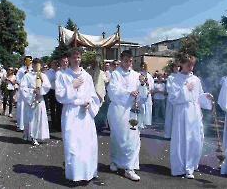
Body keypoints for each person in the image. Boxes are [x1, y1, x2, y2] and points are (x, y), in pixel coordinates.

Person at [55, 47, 100, 183]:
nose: (77, 60)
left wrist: (89, 103)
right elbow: (59, 95)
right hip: (71, 113)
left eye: (79, 57)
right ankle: (74, 174)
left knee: (87, 144)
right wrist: (72, 86)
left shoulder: (86, 76)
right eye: (74, 57)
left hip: (85, 114)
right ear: (69, 59)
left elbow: (93, 94)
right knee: (72, 144)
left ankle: (87, 173)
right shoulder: (63, 76)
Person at [168, 54, 213, 179]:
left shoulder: (196, 79)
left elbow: (199, 96)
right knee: (182, 139)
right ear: (181, 64)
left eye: (192, 64)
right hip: (182, 112)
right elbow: (172, 98)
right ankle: (180, 167)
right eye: (188, 64)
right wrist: (184, 89)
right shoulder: (177, 79)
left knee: (194, 138)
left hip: (194, 112)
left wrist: (206, 97)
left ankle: (191, 166)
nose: (190, 67)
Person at [107, 50, 148, 181]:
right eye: (126, 61)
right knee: (118, 138)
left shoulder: (136, 75)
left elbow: (144, 94)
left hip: (132, 111)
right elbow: (113, 91)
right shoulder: (115, 74)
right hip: (118, 110)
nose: (129, 64)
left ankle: (129, 168)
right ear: (121, 60)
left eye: (131, 61)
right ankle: (115, 161)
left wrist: (143, 84)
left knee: (132, 139)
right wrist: (128, 93)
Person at [20, 58, 51, 147]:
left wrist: (40, 90)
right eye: (35, 64)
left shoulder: (43, 76)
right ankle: (27, 135)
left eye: (38, 64)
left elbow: (47, 86)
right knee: (29, 119)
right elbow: (23, 88)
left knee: (38, 119)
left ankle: (35, 137)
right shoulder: (27, 76)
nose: (36, 66)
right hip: (30, 100)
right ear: (32, 65)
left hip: (39, 100)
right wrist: (32, 91)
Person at [16, 56, 32, 132]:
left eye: (30, 60)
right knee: (21, 107)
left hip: (31, 91)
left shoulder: (32, 69)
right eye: (28, 60)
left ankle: (29, 125)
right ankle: (20, 125)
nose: (29, 62)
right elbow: (17, 79)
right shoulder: (21, 70)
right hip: (23, 90)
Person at [164, 62, 180, 139]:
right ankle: (168, 134)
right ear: (173, 68)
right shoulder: (170, 77)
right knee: (170, 116)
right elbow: (168, 88)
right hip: (171, 100)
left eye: (178, 66)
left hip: (179, 100)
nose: (177, 68)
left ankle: (176, 135)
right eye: (175, 67)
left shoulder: (181, 77)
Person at [45, 59, 60, 131]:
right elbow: (48, 80)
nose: (55, 65)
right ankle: (53, 123)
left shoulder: (59, 71)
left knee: (59, 107)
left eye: (56, 63)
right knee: (52, 106)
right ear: (51, 64)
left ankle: (58, 123)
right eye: (54, 63)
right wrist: (55, 77)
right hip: (51, 90)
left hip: (58, 90)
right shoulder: (49, 72)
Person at [139, 62, 154, 128]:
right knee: (141, 108)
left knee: (147, 108)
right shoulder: (138, 74)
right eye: (142, 66)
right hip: (140, 94)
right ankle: (141, 122)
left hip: (147, 94)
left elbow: (152, 85)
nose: (143, 67)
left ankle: (146, 121)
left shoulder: (148, 75)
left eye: (144, 66)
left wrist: (147, 83)